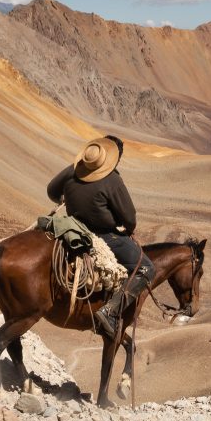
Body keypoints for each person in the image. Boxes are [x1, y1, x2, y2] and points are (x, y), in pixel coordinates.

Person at [46, 135, 156, 338]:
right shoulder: (112, 178)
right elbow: (129, 217)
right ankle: (109, 311)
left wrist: (67, 197)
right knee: (146, 269)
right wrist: (127, 229)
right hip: (103, 235)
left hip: (73, 227)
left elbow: (52, 190)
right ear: (115, 158)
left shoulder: (73, 169)